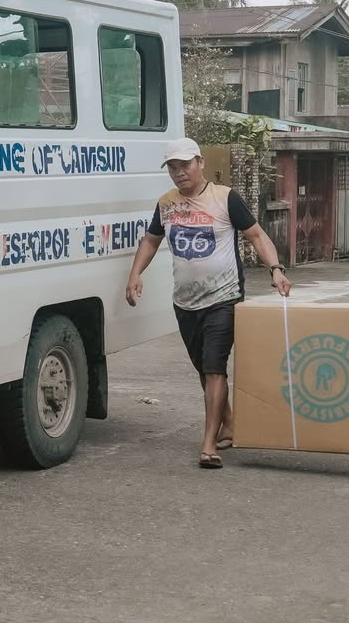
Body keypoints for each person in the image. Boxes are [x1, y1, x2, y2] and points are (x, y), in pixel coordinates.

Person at [124, 138, 291, 468]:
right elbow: (151, 240)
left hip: (223, 298)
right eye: (173, 167)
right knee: (204, 368)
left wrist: (275, 269)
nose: (179, 172)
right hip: (185, 302)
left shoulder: (225, 198)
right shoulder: (166, 204)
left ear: (200, 163)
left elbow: (256, 235)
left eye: (185, 165)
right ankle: (229, 424)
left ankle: (208, 443)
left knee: (214, 367)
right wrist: (135, 274)